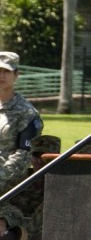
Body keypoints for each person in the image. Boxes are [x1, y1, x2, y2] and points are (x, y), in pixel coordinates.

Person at [0, 52, 44, 194]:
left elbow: (23, 157)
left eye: (6, 71)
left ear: (16, 75)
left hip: (8, 187)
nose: (1, 75)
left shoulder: (27, 113)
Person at [11, 135, 62, 240]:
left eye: (44, 156)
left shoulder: (63, 185)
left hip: (50, 238)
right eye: (36, 156)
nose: (39, 161)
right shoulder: (17, 181)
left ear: (56, 158)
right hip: (15, 235)